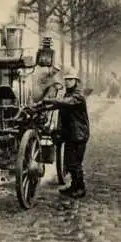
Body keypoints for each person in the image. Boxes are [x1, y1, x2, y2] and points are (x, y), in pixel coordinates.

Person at [39, 67, 89, 198]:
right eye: (66, 80)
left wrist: (49, 100)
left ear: (76, 81)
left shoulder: (78, 95)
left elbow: (66, 103)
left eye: (70, 80)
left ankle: (80, 188)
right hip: (70, 134)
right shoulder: (68, 94)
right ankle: (73, 186)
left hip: (79, 134)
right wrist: (42, 106)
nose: (67, 82)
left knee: (75, 163)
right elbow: (59, 104)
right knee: (69, 162)